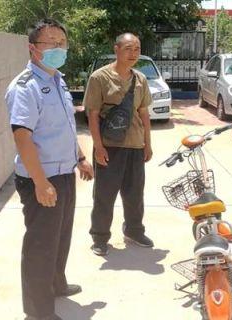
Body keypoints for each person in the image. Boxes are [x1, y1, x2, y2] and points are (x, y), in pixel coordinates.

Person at [5, 18, 94, 320]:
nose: (59, 47)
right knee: (40, 245)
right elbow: (22, 136)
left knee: (60, 237)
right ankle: (38, 311)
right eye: (51, 42)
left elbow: (65, 128)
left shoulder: (58, 80)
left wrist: (80, 157)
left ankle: (56, 284)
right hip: (40, 178)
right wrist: (41, 183)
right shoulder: (25, 87)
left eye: (62, 43)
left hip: (63, 173)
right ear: (33, 48)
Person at [83, 33, 154, 256]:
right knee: (104, 194)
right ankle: (100, 237)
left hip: (135, 145)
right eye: (128, 48)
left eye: (137, 49)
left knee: (135, 194)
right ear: (116, 49)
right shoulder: (99, 77)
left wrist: (147, 143)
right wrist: (98, 146)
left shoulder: (140, 79)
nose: (133, 53)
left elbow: (144, 113)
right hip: (109, 146)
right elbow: (92, 115)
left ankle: (134, 231)